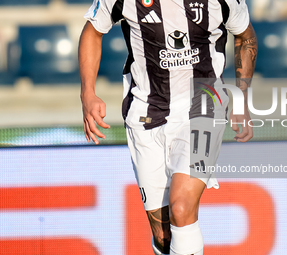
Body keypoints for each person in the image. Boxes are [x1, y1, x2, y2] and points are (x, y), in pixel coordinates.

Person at [79, 0, 257, 254]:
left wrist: (242, 98)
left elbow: (245, 36)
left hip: (204, 107)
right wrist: (87, 93)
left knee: (182, 208)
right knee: (163, 236)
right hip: (146, 112)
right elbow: (93, 30)